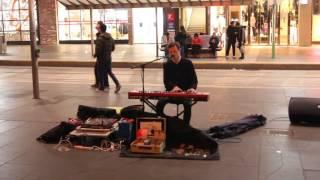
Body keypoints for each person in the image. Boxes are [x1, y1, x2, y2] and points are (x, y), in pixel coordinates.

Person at [156, 42, 198, 125]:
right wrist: (174, 87)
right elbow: (166, 81)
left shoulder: (188, 63)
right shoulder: (167, 65)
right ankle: (165, 124)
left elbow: (194, 80)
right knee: (160, 103)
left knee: (187, 105)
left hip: (186, 92)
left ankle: (186, 126)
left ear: (180, 50)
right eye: (171, 52)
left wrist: (192, 88)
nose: (172, 54)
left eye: (174, 51)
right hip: (172, 92)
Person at [93, 21, 121, 93]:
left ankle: (101, 87)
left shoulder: (100, 39)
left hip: (101, 59)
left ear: (101, 29)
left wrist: (95, 55)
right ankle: (117, 84)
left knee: (100, 72)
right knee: (109, 72)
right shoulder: (110, 38)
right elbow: (113, 48)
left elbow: (98, 50)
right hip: (108, 58)